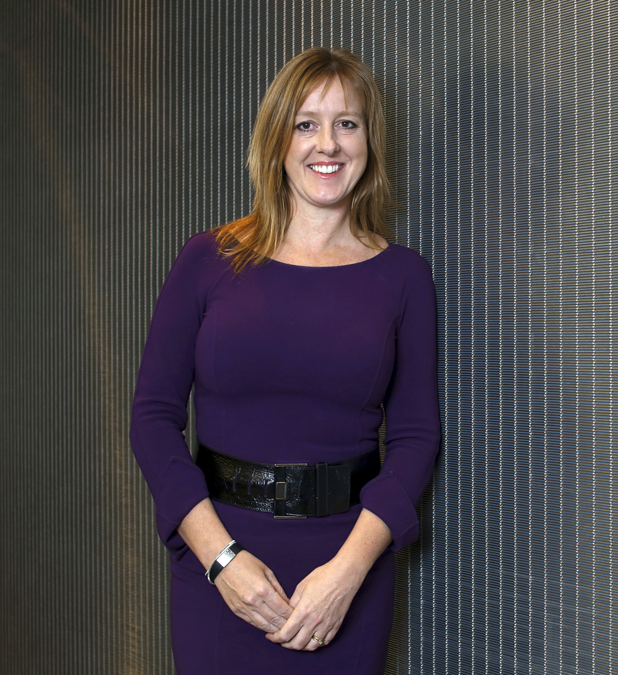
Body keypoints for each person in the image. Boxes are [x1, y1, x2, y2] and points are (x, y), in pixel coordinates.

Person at [130, 47, 440, 673]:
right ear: (277, 141)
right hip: (220, 571)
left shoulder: (403, 277)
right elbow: (153, 417)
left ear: (369, 143)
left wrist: (348, 575)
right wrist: (222, 560)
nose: (328, 144)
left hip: (346, 576)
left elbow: (414, 438)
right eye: (307, 123)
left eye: (347, 123)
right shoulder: (208, 259)